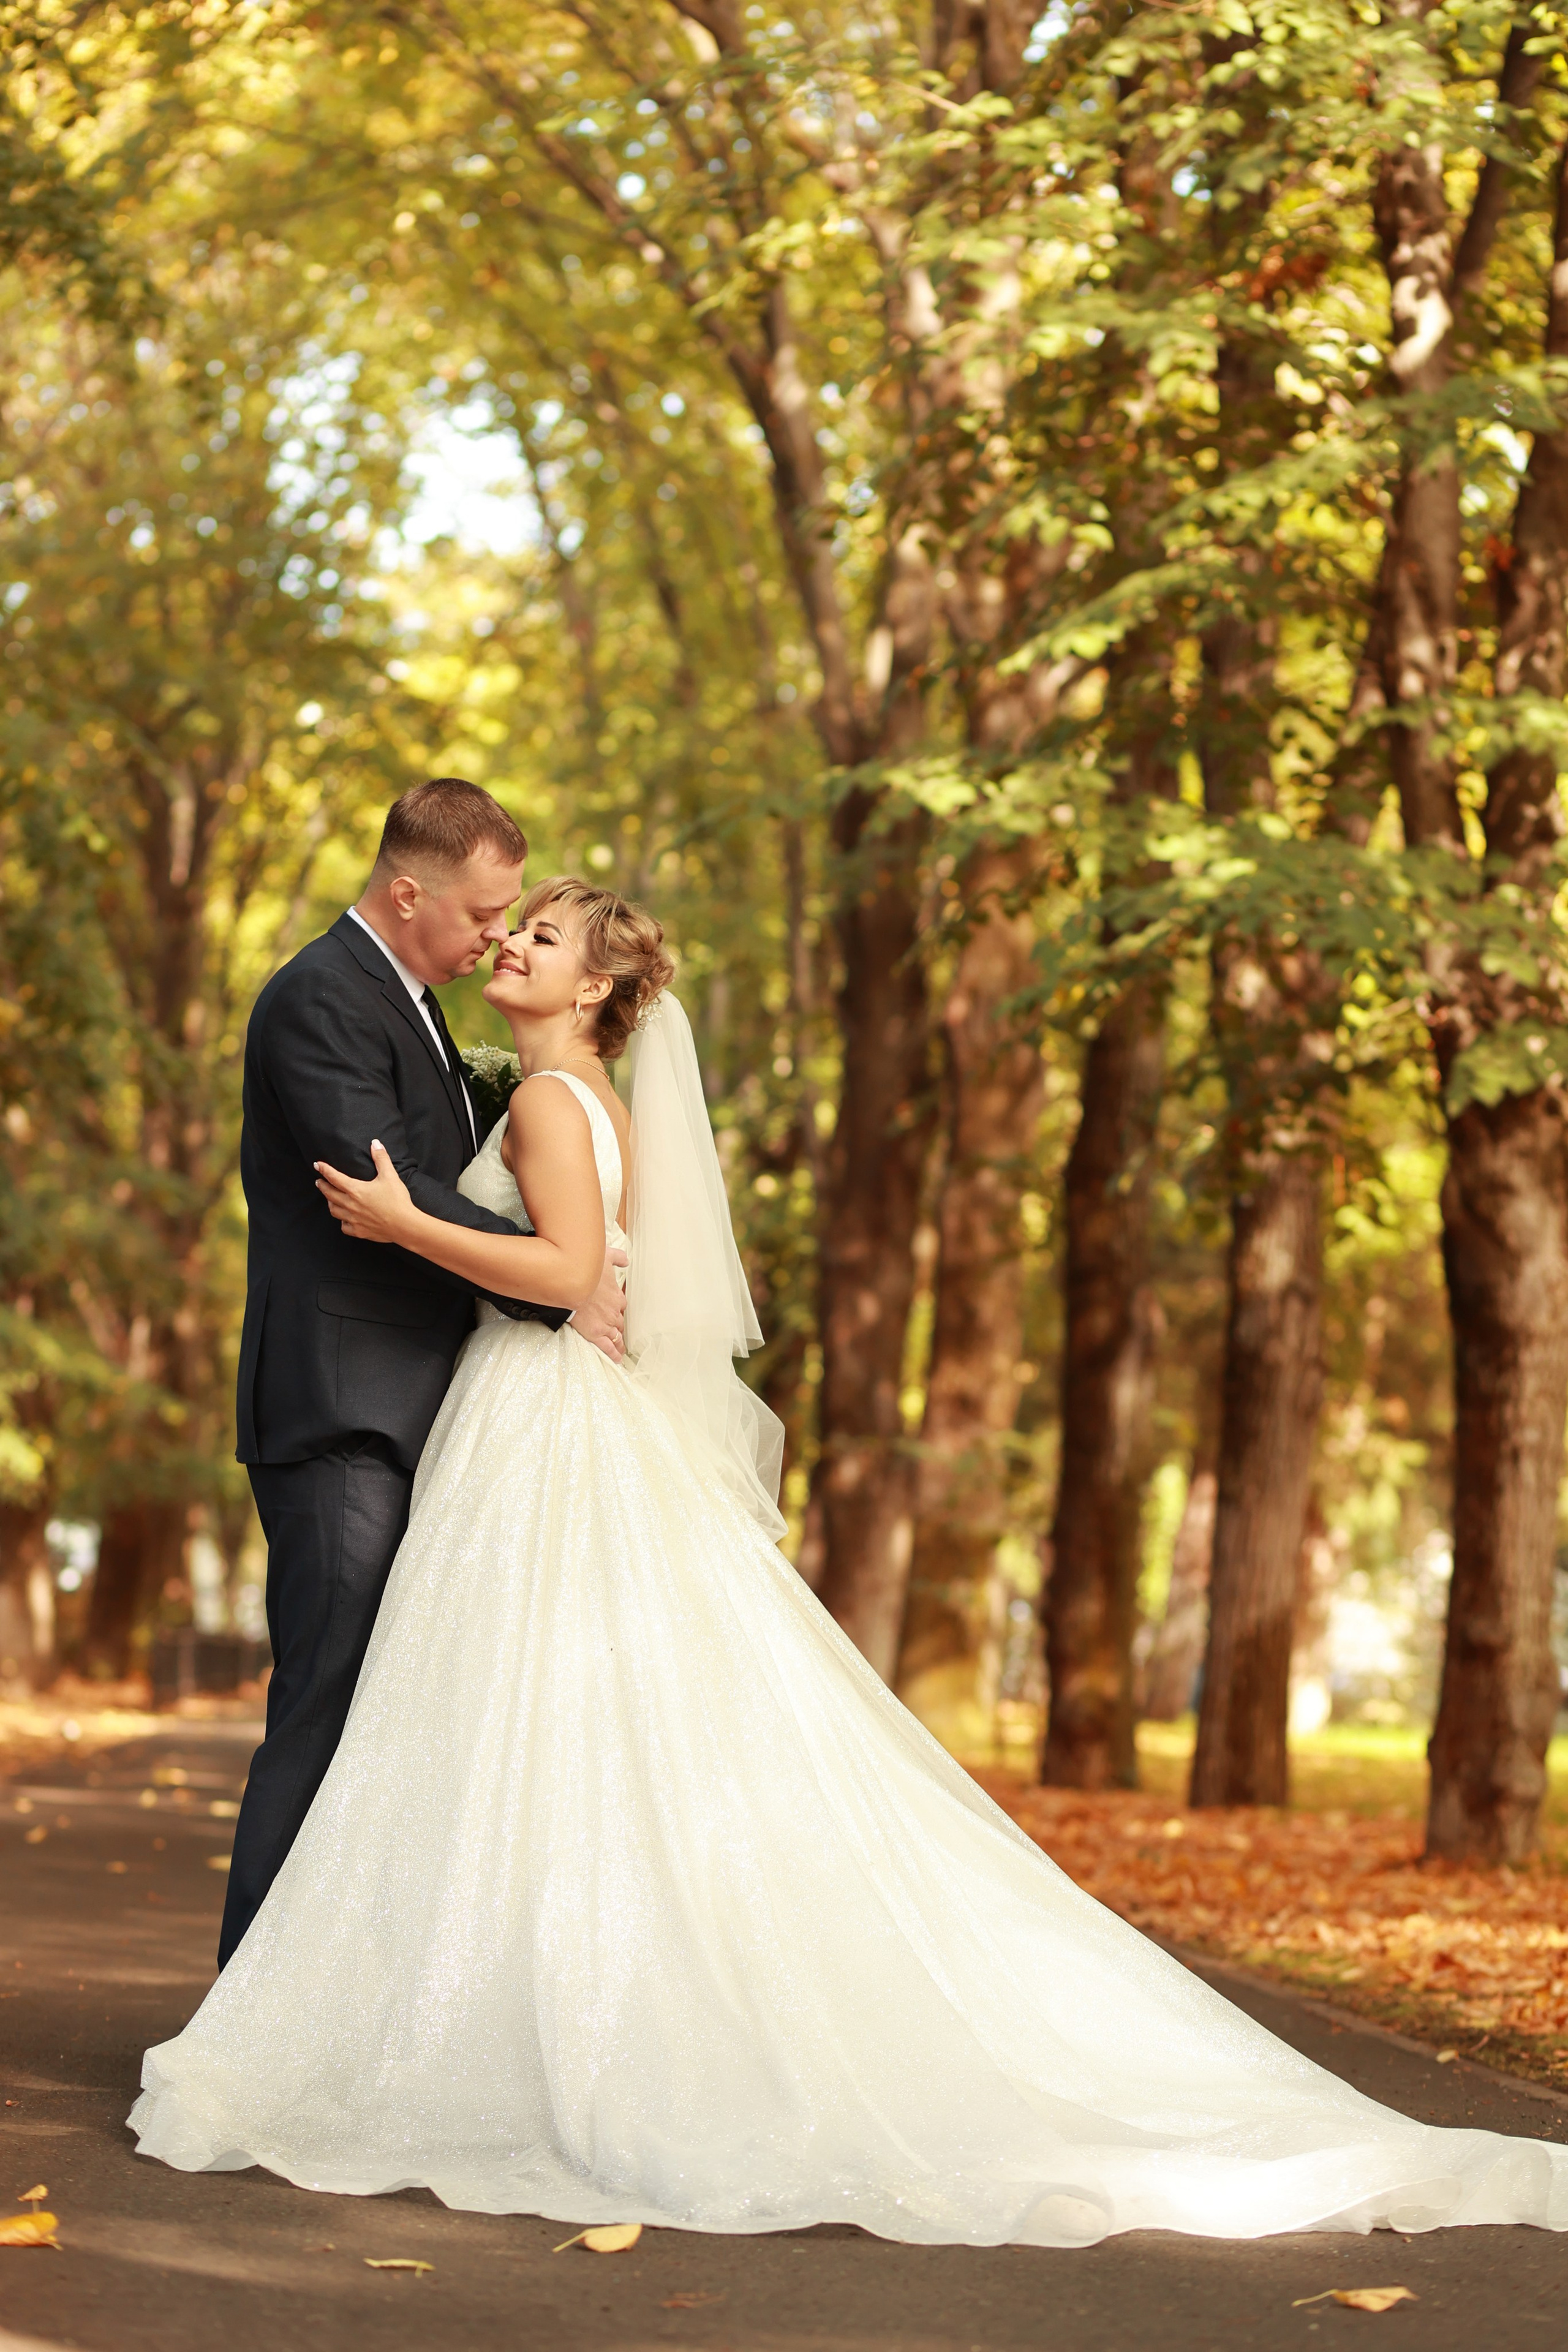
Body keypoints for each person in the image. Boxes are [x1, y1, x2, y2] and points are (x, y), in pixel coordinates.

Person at [133, 877, 1568, 2248]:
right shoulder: (561, 1096)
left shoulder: (560, 1104)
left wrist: (405, 1221)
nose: (515, 945)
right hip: (538, 1416)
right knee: (543, 1728)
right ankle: (511, 2000)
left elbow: (571, 1278)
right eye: (516, 927)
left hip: (547, 1422)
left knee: (532, 1721)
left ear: (600, 985)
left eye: (547, 935)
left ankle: (502, 2018)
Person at [219, 785, 627, 1967]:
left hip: (427, 1411)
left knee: (394, 1722)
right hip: (346, 1410)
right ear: (409, 894)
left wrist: (566, 1271)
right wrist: (555, 1282)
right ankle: (252, 2011)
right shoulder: (318, 1000)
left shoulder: (421, 1005)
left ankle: (345, 2001)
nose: (498, 936)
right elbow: (376, 1188)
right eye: (488, 912)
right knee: (326, 1704)